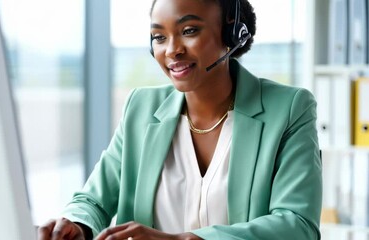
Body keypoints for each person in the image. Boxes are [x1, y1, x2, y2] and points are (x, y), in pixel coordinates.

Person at [38, 0, 322, 239]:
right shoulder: (141, 107)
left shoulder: (289, 108)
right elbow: (94, 200)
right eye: (159, 37)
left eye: (188, 30)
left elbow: (298, 225)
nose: (171, 50)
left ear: (233, 32)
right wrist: (77, 224)